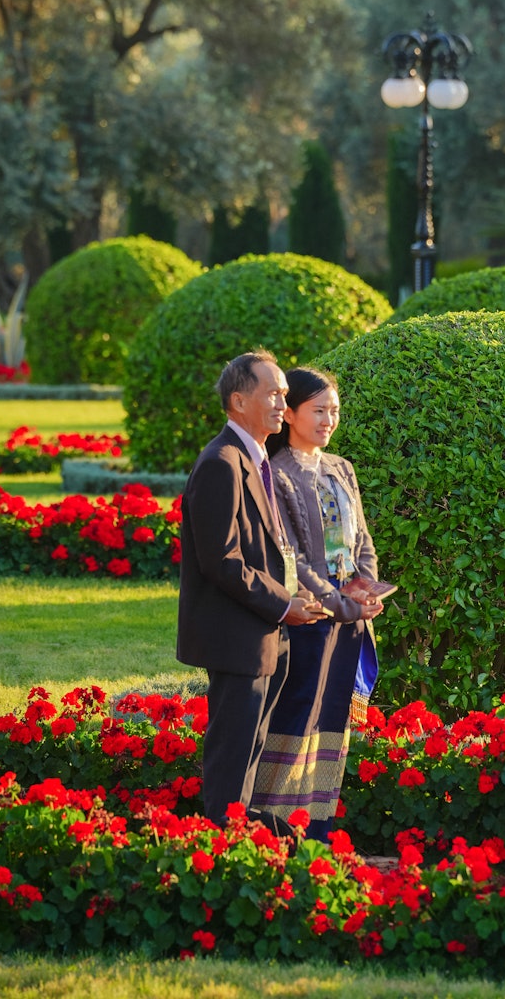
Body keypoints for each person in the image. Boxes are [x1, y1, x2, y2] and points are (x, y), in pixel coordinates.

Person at [177, 350, 323, 827]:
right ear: (239, 401)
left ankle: (239, 840)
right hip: (237, 637)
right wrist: (285, 606)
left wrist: (296, 598)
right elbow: (222, 561)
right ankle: (221, 848)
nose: (284, 403)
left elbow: (269, 548)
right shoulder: (222, 462)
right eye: (273, 393)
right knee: (231, 758)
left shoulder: (255, 458)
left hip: (262, 632)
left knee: (250, 753)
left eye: (284, 393)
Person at [251, 365, 385, 840]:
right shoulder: (277, 474)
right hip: (307, 622)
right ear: (288, 414)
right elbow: (293, 559)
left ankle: (319, 830)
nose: (329, 420)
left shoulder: (340, 468)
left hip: (349, 621)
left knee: (332, 723)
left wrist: (367, 590)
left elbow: (362, 540)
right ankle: (278, 832)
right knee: (297, 718)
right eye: (319, 410)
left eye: (335, 411)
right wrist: (340, 603)